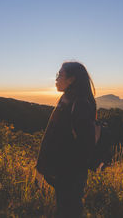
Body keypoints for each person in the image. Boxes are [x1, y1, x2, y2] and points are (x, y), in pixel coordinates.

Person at [35, 61, 97, 218]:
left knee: (69, 211)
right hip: (65, 174)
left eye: (59, 75)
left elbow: (85, 145)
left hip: (70, 175)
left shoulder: (79, 103)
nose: (56, 79)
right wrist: (43, 168)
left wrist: (65, 172)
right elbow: (55, 137)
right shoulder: (68, 99)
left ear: (71, 79)